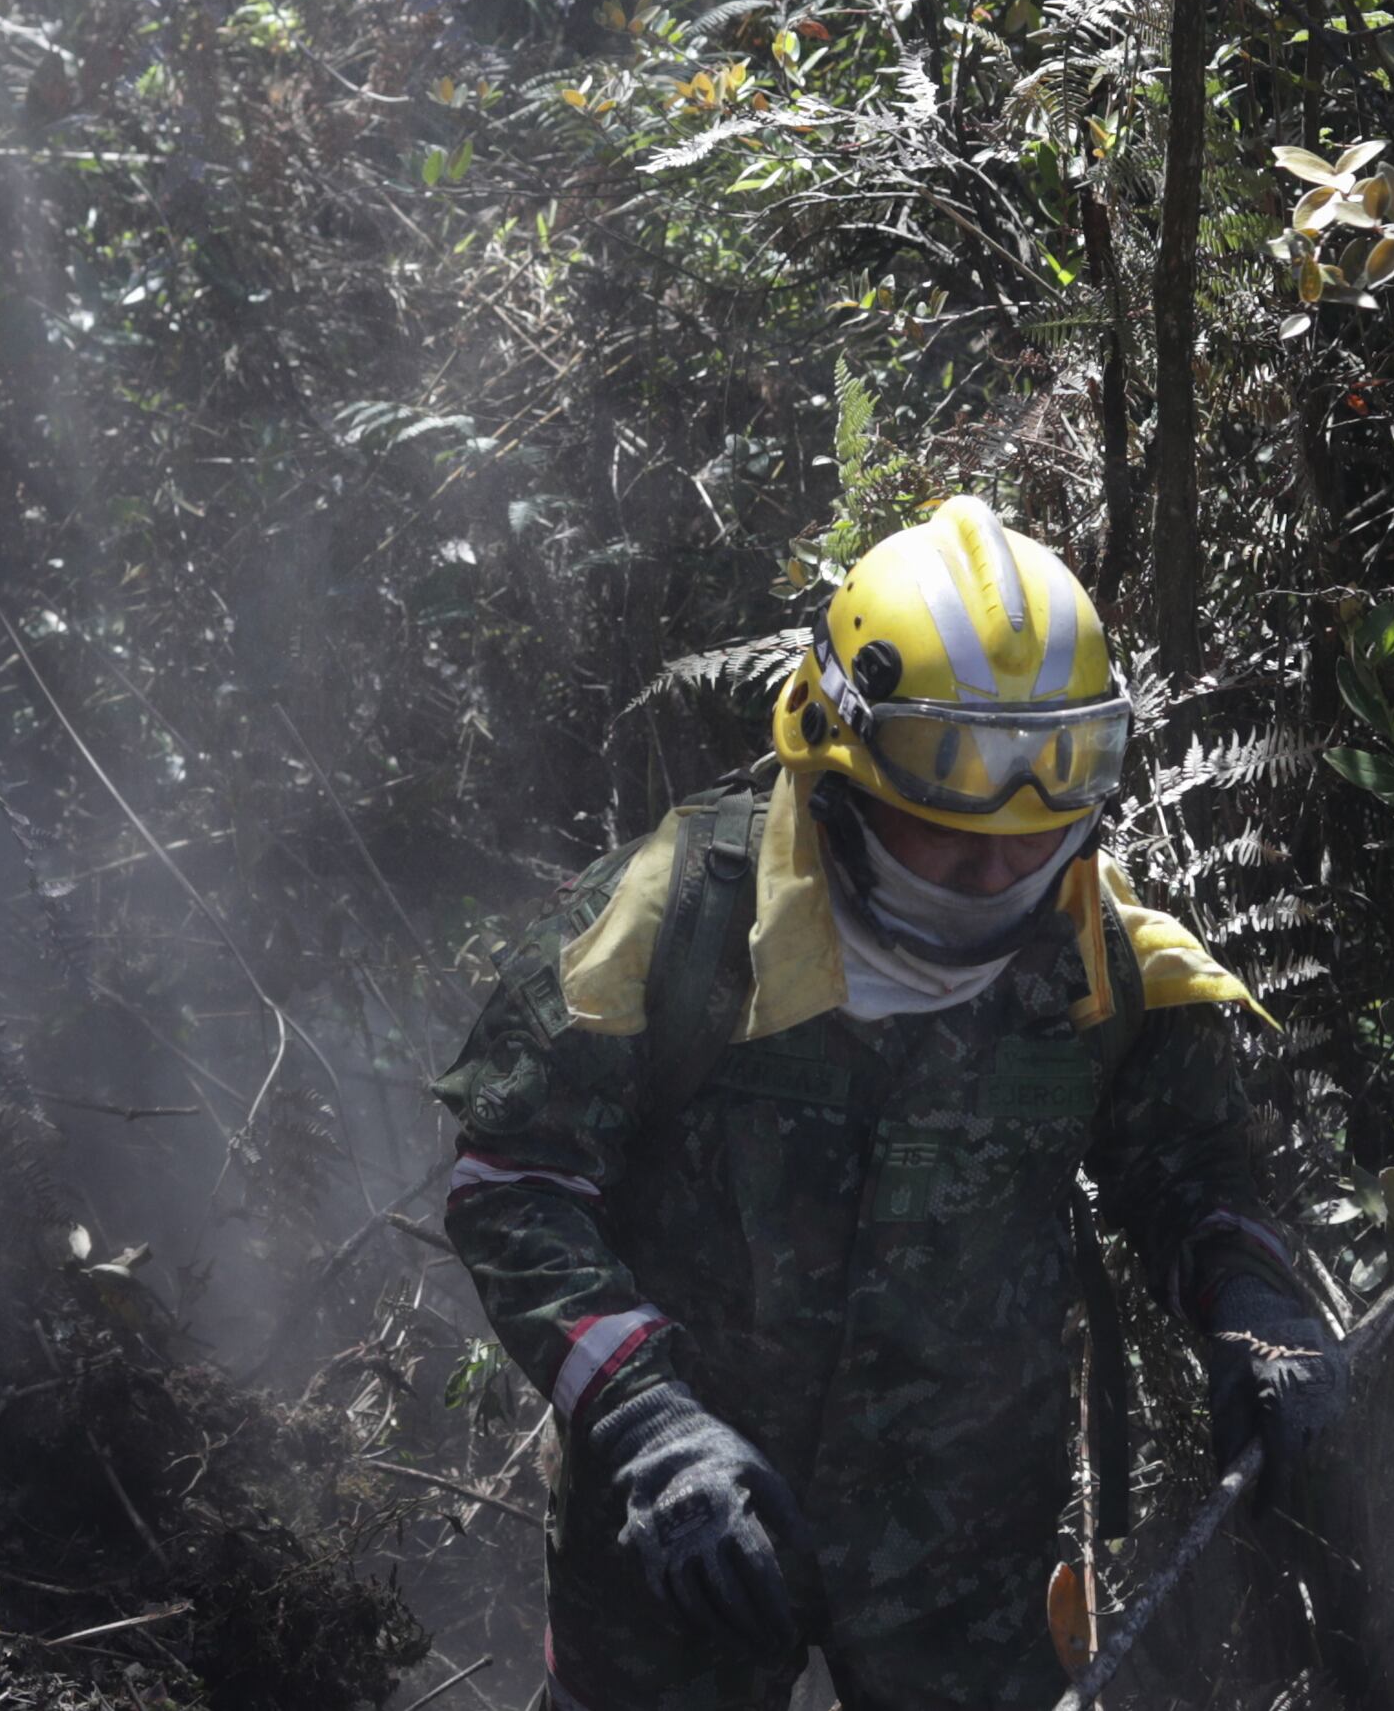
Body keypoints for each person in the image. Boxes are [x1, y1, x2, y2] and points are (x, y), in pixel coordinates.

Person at [433, 497, 1345, 1711]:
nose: (993, 868)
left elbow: (1190, 1170)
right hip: (686, 1515)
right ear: (843, 765)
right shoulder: (679, 920)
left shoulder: (1100, 953)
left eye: (1031, 834)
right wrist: (646, 1421)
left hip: (959, 1550)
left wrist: (1251, 1306)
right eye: (948, 826)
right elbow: (514, 1181)